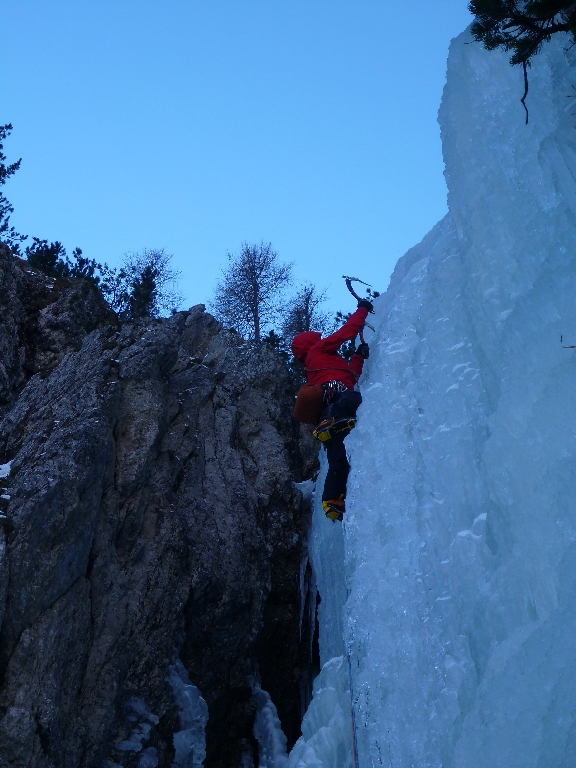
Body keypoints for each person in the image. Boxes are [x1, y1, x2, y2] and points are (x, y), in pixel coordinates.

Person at [291, 299, 373, 521]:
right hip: (339, 399)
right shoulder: (319, 349)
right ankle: (334, 419)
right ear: (312, 343)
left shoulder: (317, 365)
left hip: (333, 407)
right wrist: (363, 310)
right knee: (359, 401)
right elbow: (346, 332)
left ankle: (332, 499)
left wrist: (358, 356)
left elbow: (350, 376)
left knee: (339, 457)